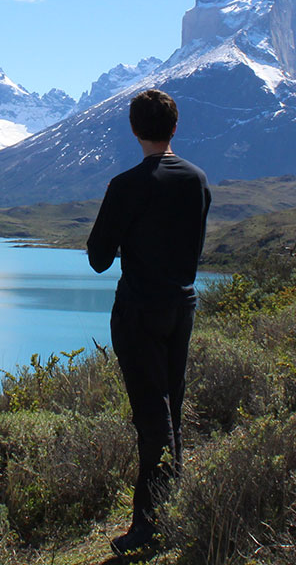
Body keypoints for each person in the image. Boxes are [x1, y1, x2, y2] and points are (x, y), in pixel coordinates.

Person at [86, 88, 210, 556]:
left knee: (151, 417)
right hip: (182, 308)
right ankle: (171, 509)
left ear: (135, 130)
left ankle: (150, 526)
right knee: (170, 408)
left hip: (139, 313)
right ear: (174, 127)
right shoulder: (197, 180)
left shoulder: (126, 186)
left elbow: (99, 258)